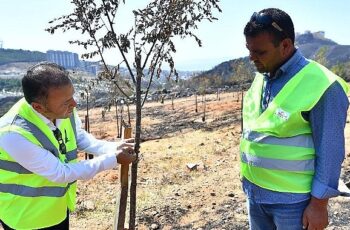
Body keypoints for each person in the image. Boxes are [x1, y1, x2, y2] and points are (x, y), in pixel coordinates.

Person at [240, 8, 349, 230]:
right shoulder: (262, 77)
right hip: (255, 194)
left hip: (292, 204)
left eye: (259, 52)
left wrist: (319, 205)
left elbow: (330, 150)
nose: (251, 58)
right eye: (249, 50)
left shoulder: (322, 85)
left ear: (286, 46)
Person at [0, 62, 136, 229]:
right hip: (26, 217)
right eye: (66, 102)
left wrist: (112, 147)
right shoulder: (13, 134)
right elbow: (60, 173)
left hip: (56, 209)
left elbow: (77, 136)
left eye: (72, 96)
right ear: (38, 107)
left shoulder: (61, 106)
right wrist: (113, 159)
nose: (74, 104)